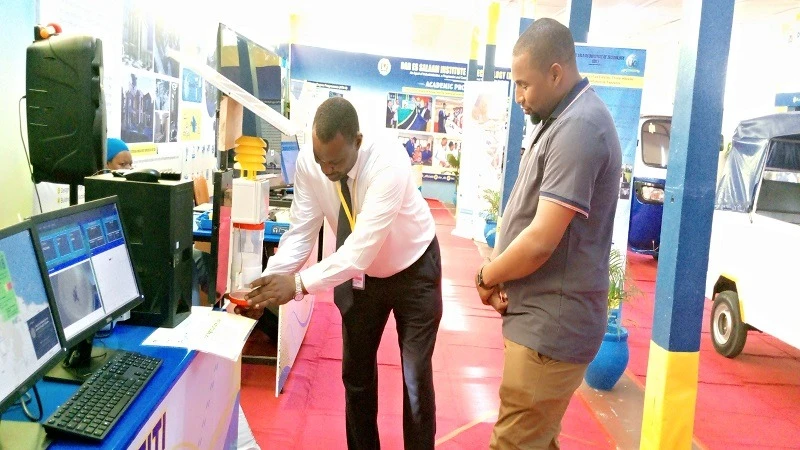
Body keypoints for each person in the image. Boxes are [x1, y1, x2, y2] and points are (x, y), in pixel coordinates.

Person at [240, 97, 442, 449]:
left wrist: (299, 284)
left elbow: (361, 249)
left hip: (415, 269)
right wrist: (267, 283)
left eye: (335, 161)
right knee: (356, 376)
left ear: (357, 142)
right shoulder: (311, 163)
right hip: (363, 279)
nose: (327, 169)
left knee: (414, 378)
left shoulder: (388, 162)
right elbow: (302, 232)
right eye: (321, 160)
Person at [474, 18, 622, 449]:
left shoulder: (579, 127)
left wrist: (487, 275)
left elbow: (540, 240)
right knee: (536, 440)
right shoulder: (559, 117)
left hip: (552, 324)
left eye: (524, 85)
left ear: (556, 72)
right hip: (539, 314)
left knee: (514, 443)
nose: (519, 97)